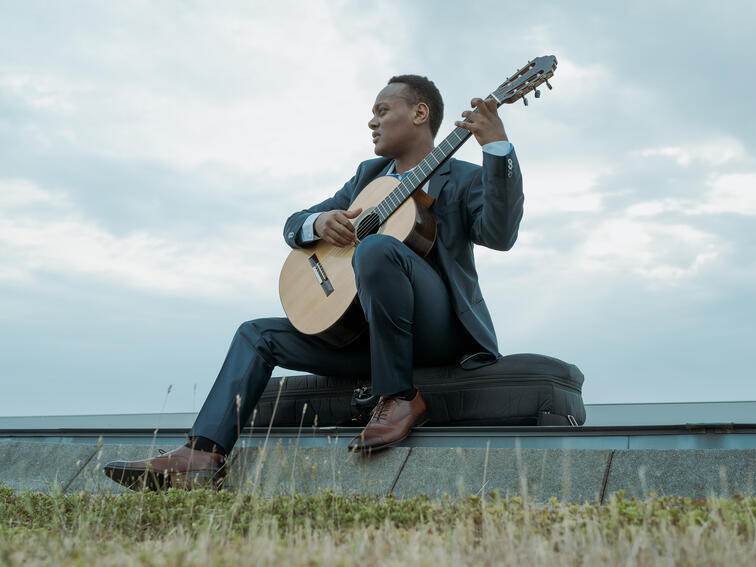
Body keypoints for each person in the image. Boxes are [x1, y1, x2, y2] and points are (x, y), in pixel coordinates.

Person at [103, 74, 523, 490]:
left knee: (375, 248)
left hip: (437, 333)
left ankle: (399, 398)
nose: (372, 122)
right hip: (366, 336)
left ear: (419, 113)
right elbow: (293, 224)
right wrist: (319, 223)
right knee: (255, 334)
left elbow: (499, 236)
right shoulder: (368, 176)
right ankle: (203, 454)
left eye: (382, 111)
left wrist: (497, 149)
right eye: (371, 114)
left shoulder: (464, 177)